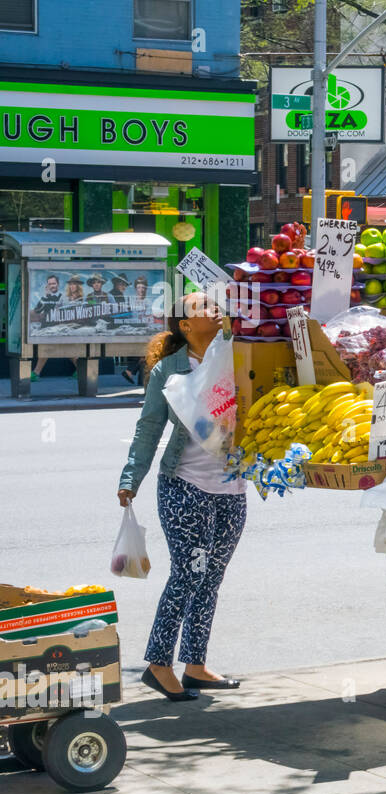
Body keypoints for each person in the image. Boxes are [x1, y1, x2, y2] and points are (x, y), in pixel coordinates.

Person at [118, 292, 245, 702]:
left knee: (211, 577)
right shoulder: (169, 371)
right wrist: (130, 477)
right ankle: (158, 664)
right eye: (200, 306)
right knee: (188, 573)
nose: (213, 308)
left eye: (214, 303)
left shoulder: (236, 353)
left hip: (232, 486)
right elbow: (149, 427)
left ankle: (195, 665)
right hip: (184, 484)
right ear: (185, 325)